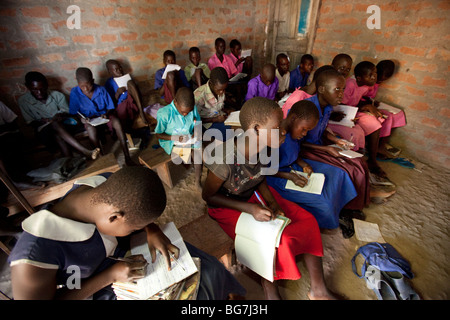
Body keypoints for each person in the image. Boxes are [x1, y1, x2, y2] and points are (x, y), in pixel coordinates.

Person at [8, 166, 246, 300]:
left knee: (210, 269)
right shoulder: (33, 257)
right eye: (134, 227)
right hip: (94, 288)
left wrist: (151, 229)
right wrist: (109, 276)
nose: (137, 228)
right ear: (114, 217)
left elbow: (134, 210)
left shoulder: (106, 185)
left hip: (127, 259)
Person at [202, 97, 339, 300]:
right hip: (227, 205)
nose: (283, 131)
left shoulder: (264, 146)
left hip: (253, 194)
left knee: (308, 220)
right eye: (277, 127)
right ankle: (270, 291)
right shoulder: (223, 159)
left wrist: (273, 203)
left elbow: (259, 177)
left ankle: (319, 290)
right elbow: (209, 197)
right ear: (256, 129)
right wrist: (250, 209)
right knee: (275, 239)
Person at [299, 69, 395, 216]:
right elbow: (298, 140)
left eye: (343, 89)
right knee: (346, 168)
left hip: (320, 146)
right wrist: (327, 149)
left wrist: (336, 140)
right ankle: (353, 202)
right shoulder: (308, 108)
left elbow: (321, 129)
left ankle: (364, 192)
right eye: (337, 89)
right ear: (322, 89)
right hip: (306, 150)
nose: (341, 94)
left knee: (358, 160)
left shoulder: (328, 106)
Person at [266, 100, 358, 230]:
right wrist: (290, 177)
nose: (304, 134)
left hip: (293, 167)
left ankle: (340, 208)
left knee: (339, 174)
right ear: (293, 118)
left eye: (307, 131)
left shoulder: (294, 131)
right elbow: (264, 170)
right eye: (304, 130)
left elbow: (293, 153)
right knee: (323, 202)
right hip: (277, 177)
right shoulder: (275, 135)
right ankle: (325, 219)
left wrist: (303, 164)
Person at [18, 71, 100, 161]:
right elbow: (30, 122)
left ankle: (71, 162)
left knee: (58, 134)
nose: (39, 92)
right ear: (28, 87)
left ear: (46, 85)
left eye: (42, 88)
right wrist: (42, 121)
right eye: (35, 89)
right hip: (44, 132)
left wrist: (60, 115)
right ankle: (84, 151)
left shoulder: (57, 95)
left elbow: (67, 111)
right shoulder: (23, 101)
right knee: (54, 125)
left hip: (64, 127)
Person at [338, 61, 397, 181]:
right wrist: (365, 108)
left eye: (375, 74)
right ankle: (365, 159)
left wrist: (367, 106)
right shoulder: (350, 84)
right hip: (342, 113)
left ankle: (372, 158)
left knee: (377, 121)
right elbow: (341, 106)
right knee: (367, 125)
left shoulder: (365, 86)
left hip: (353, 111)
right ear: (359, 78)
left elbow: (358, 100)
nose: (374, 77)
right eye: (371, 75)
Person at [69, 67, 135, 166]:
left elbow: (110, 107)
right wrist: (81, 119)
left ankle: (127, 157)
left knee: (117, 122)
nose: (86, 89)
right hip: (89, 121)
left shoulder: (101, 90)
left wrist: (106, 114)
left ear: (93, 81)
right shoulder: (75, 93)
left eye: (88, 85)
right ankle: (102, 159)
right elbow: (75, 112)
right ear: (77, 83)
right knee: (91, 129)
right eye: (82, 86)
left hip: (104, 117)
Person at [155, 87, 203, 189]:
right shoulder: (164, 114)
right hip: (171, 141)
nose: (185, 114)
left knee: (198, 154)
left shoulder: (192, 108)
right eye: (182, 112)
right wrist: (175, 138)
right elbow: (158, 134)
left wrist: (196, 132)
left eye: (188, 112)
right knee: (188, 155)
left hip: (189, 138)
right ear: (175, 102)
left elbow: (197, 123)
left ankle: (198, 181)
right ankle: (187, 162)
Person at [366, 60, 406, 158]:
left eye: (383, 80)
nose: (379, 81)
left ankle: (381, 145)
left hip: (370, 103)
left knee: (398, 113)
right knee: (386, 117)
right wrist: (369, 103)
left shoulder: (376, 82)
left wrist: (372, 101)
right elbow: (360, 96)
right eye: (379, 78)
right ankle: (375, 147)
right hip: (363, 105)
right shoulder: (366, 79)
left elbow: (369, 95)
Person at [104, 59, 150, 132]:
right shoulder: (109, 83)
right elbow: (111, 103)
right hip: (121, 104)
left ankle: (141, 112)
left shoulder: (127, 77)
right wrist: (118, 93)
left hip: (132, 101)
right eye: (116, 70)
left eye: (120, 68)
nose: (119, 71)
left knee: (131, 83)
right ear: (110, 71)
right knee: (123, 116)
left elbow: (136, 92)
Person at [194, 67, 232, 141]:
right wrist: (215, 119)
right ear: (211, 83)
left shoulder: (220, 89)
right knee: (231, 134)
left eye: (224, 89)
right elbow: (194, 120)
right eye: (219, 89)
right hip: (207, 124)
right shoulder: (199, 95)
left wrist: (227, 111)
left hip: (220, 117)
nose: (222, 92)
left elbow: (217, 107)